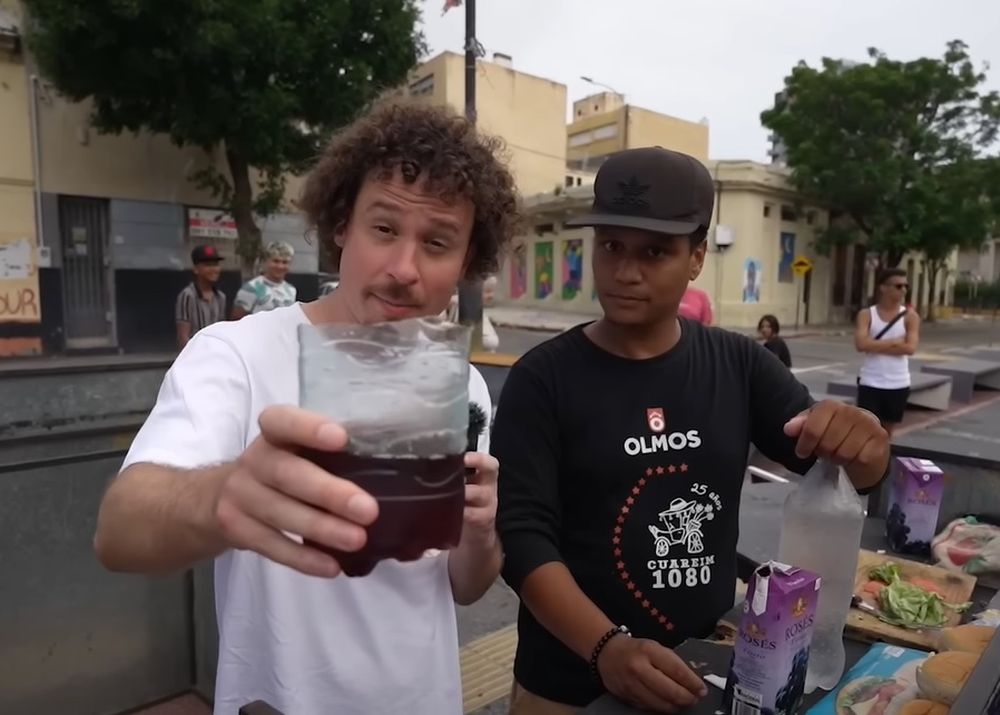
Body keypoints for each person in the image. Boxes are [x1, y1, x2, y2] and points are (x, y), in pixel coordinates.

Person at [93, 101, 522, 715]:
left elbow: (463, 586)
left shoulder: (463, 386)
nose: (403, 269)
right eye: (384, 229)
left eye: (436, 242)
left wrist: (481, 533)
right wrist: (225, 496)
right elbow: (119, 533)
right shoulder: (237, 354)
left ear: (466, 261)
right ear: (342, 223)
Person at [491, 147, 891, 715]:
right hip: (567, 685)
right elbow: (522, 534)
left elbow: (838, 465)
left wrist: (866, 442)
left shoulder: (739, 365)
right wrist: (606, 648)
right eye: (611, 247)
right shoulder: (543, 378)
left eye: (654, 251)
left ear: (698, 256)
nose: (626, 272)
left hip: (706, 670)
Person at [855, 268, 921, 435]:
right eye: (898, 286)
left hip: (898, 383)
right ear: (883, 288)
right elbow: (860, 345)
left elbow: (910, 348)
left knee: (886, 434)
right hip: (870, 381)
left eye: (906, 286)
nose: (903, 290)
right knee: (866, 430)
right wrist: (894, 343)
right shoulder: (866, 314)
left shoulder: (910, 317)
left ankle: (882, 461)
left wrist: (874, 344)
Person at [175, 244, 227, 350]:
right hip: (195, 355)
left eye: (216, 264)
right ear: (196, 269)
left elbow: (221, 330)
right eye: (208, 265)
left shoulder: (221, 297)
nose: (214, 269)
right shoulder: (188, 296)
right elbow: (183, 336)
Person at [232, 241, 298, 317]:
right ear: (266, 262)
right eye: (276, 261)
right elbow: (236, 321)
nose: (280, 266)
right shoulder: (251, 288)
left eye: (285, 262)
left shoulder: (291, 290)